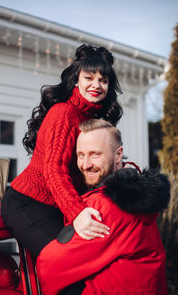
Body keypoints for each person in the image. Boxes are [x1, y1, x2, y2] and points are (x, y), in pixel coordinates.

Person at [1, 44, 124, 258]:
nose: (97, 85)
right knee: (66, 261)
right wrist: (77, 213)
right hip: (27, 203)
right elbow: (54, 168)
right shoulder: (64, 112)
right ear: (76, 80)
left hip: (57, 205)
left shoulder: (91, 121)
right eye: (89, 78)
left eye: (103, 81)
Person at [36, 119, 170, 295]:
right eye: (81, 155)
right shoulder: (139, 189)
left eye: (95, 154)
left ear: (118, 155)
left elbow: (49, 265)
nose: (85, 164)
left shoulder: (104, 207)